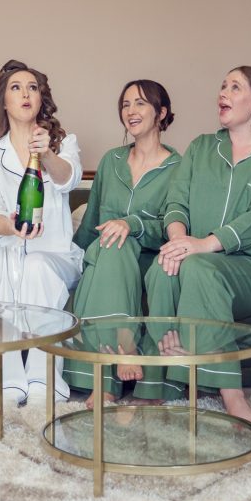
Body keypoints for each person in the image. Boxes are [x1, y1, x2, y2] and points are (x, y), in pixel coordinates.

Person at [132, 66, 251, 424]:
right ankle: (160, 386)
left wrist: (204, 244)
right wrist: (178, 241)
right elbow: (176, 204)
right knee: (164, 269)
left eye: (234, 87)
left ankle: (232, 395)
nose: (222, 92)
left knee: (199, 269)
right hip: (196, 256)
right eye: (222, 85)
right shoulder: (201, 147)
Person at [0, 59, 83, 405]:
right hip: (7, 254)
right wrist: (13, 226)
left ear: (41, 98)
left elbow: (69, 179)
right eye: (16, 88)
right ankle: (8, 379)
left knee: (34, 264)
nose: (25, 94)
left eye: (32, 87)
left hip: (55, 258)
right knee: (5, 265)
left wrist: (46, 153)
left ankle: (44, 378)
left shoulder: (62, 144)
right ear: (3, 101)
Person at [64, 80, 181, 407]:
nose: (130, 111)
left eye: (140, 103)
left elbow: (175, 225)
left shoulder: (179, 168)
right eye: (126, 104)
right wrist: (76, 260)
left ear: (161, 113)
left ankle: (108, 380)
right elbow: (90, 224)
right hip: (105, 258)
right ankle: (125, 353)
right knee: (109, 246)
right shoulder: (110, 161)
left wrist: (132, 224)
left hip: (149, 262)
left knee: (117, 240)